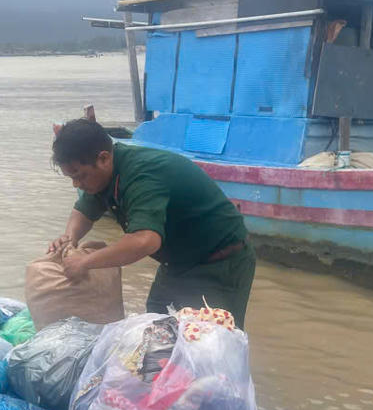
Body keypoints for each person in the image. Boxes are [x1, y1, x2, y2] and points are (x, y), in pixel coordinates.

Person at [49, 118, 256, 326]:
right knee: (156, 327)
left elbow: (144, 241)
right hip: (175, 263)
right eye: (71, 178)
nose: (76, 184)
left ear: (103, 158)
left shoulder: (143, 175)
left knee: (208, 336)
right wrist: (70, 238)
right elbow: (84, 210)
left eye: (80, 176)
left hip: (219, 262)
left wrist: (85, 262)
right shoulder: (102, 176)